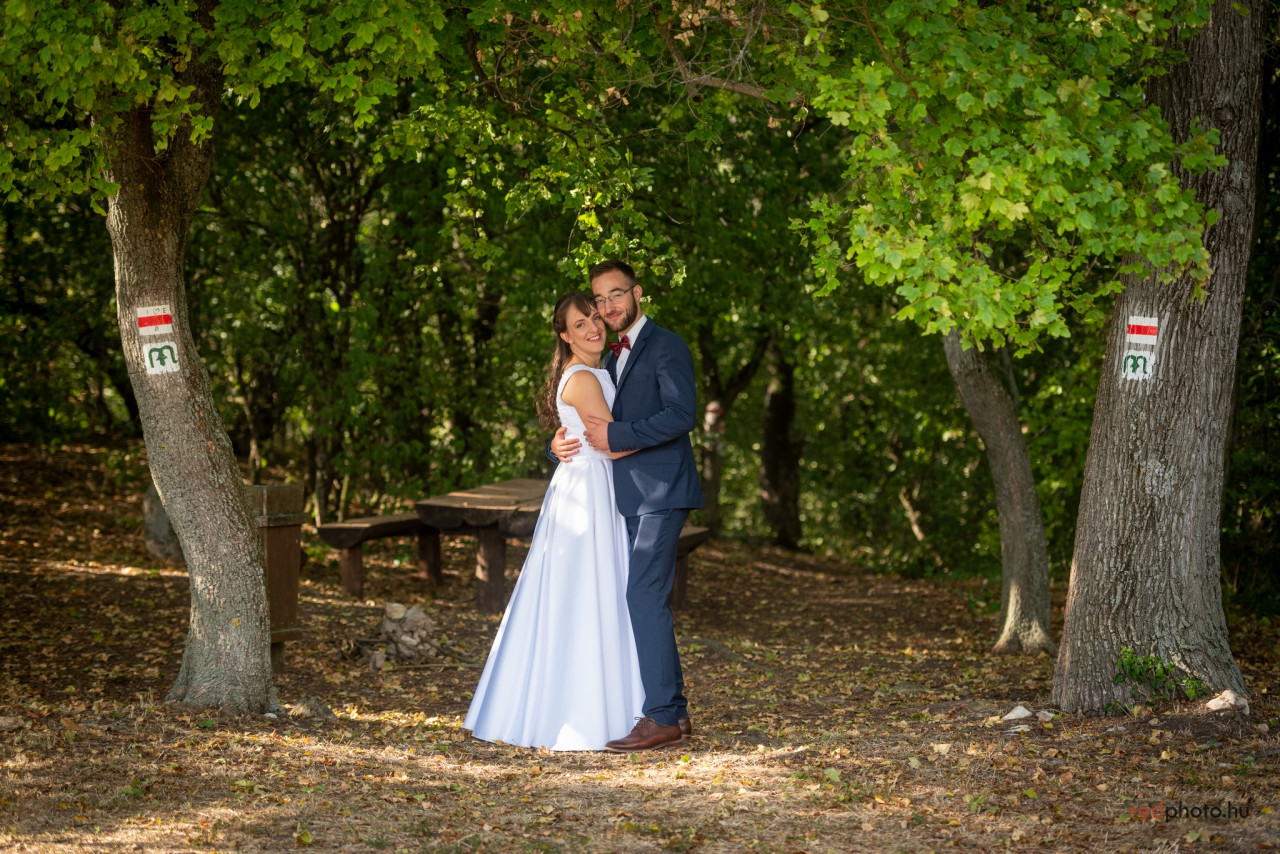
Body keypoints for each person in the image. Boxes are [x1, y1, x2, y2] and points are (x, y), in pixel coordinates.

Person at [464, 292, 644, 751]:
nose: (593, 327)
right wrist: (668, 435)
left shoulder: (600, 369)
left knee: (596, 591)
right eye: (580, 324)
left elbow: (588, 432)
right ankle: (579, 711)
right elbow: (613, 443)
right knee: (584, 592)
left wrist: (557, 445)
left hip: (593, 484)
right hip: (588, 491)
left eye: (594, 317)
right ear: (565, 336)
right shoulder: (582, 377)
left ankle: (611, 702)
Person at [551, 260, 704, 753]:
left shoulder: (666, 344)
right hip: (626, 495)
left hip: (662, 490)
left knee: (642, 595)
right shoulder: (609, 359)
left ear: (637, 293)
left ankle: (660, 717)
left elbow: (681, 415)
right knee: (644, 596)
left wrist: (618, 436)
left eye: (616, 295)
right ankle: (675, 712)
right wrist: (558, 446)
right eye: (600, 300)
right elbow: (587, 422)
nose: (608, 306)